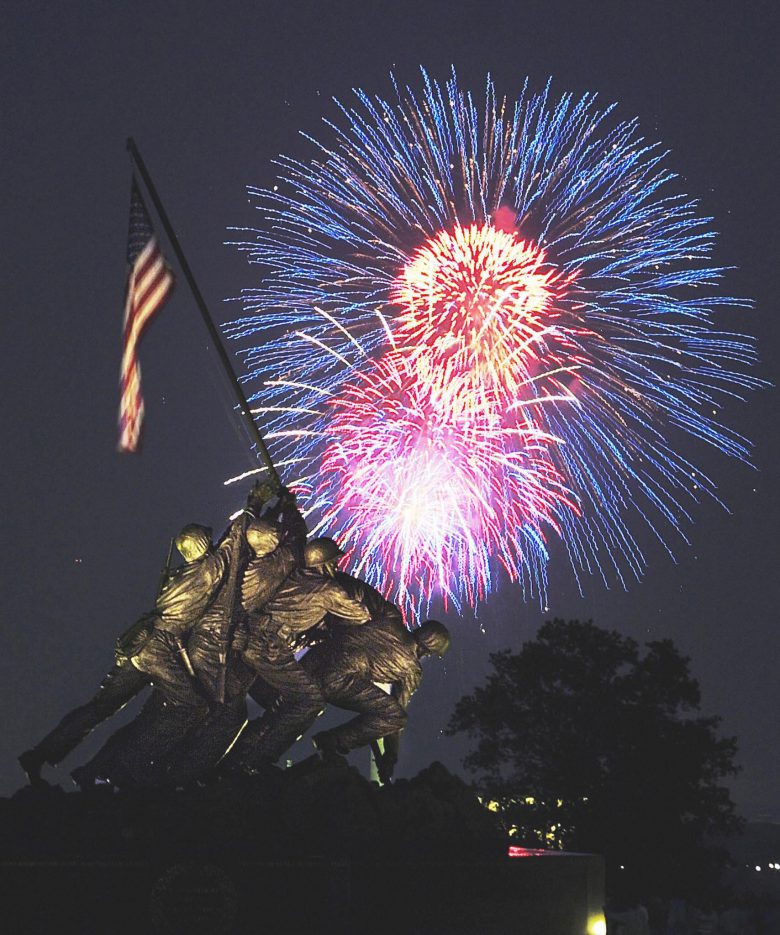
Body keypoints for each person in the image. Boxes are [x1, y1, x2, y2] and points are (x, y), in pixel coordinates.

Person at [17, 522, 214, 785]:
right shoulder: (202, 573)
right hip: (160, 653)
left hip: (140, 647)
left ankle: (39, 756)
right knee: (193, 705)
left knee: (99, 708)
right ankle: (128, 764)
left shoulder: (178, 575)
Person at [229, 537, 371, 771]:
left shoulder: (292, 577)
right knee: (309, 700)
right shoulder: (329, 589)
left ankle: (242, 753)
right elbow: (361, 616)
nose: (336, 568)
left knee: (279, 703)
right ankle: (257, 760)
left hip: (248, 638)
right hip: (269, 647)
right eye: (334, 563)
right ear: (324, 564)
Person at [302, 615, 451, 783]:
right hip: (335, 678)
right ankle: (330, 742)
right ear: (427, 650)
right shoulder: (411, 669)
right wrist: (391, 756)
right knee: (395, 717)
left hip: (313, 658)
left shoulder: (390, 623)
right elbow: (397, 712)